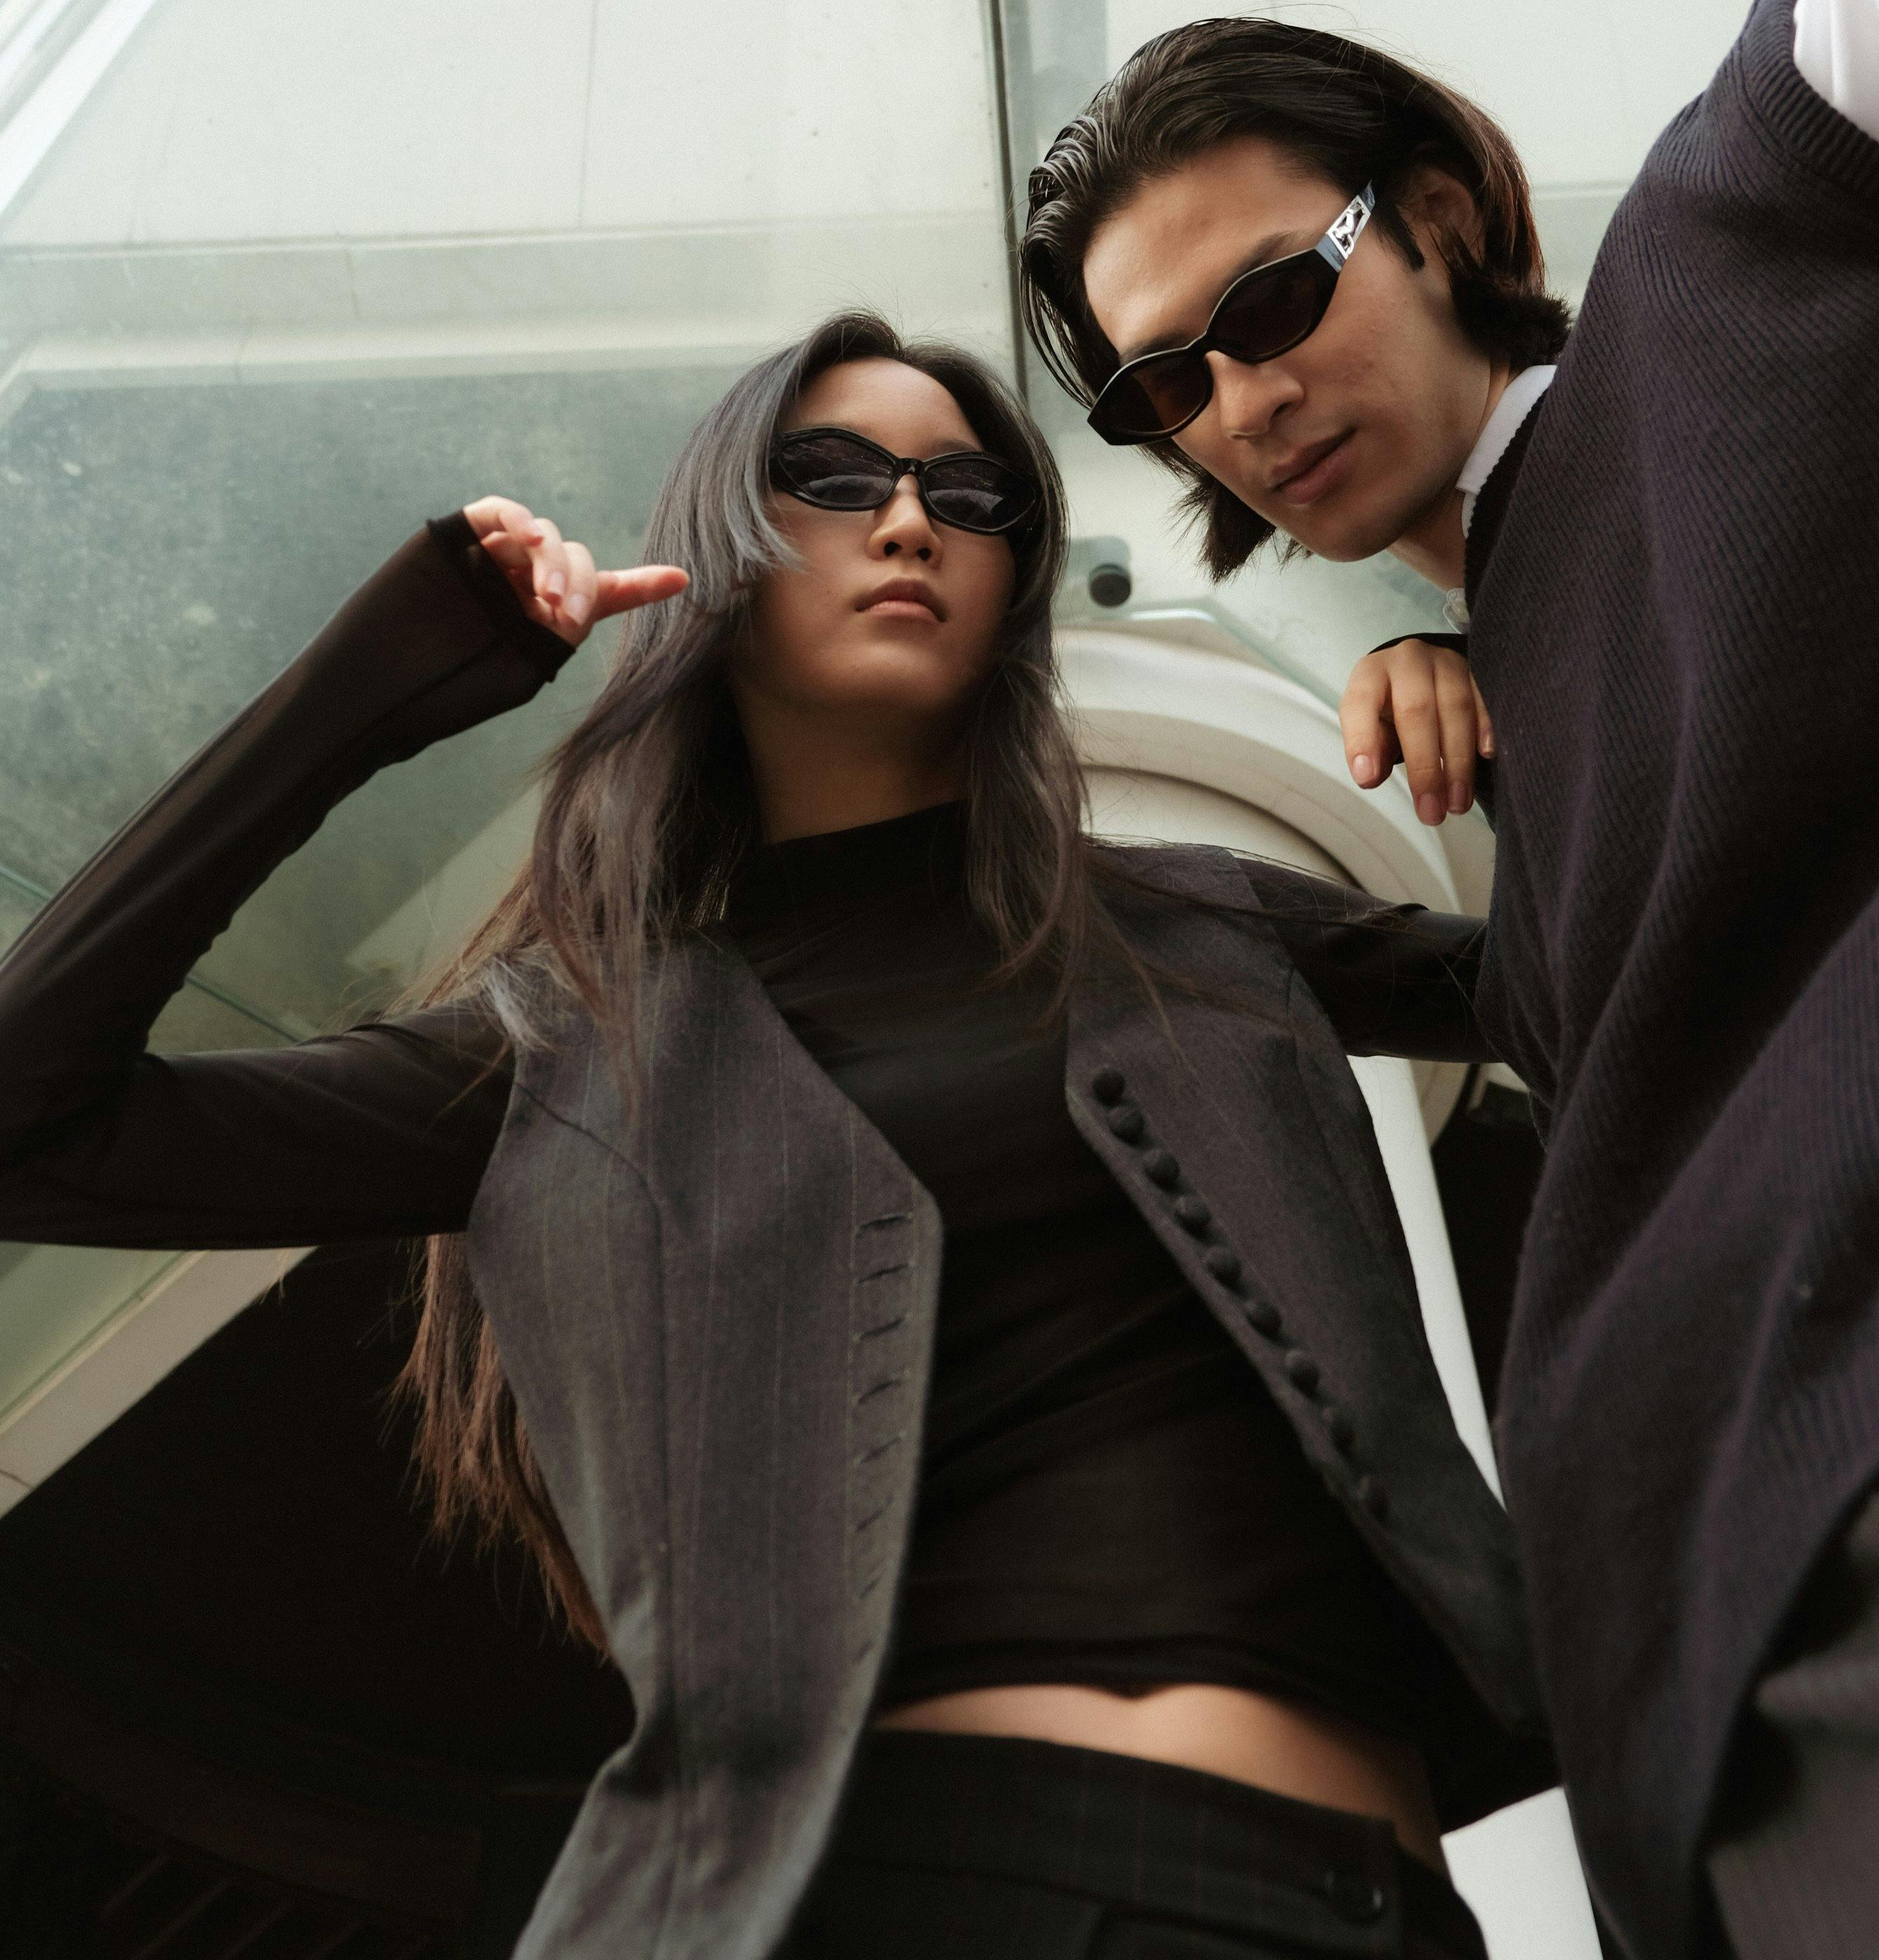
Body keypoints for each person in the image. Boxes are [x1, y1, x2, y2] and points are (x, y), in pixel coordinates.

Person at [0, 310, 1550, 1960]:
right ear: (720, 552)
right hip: (928, 1897)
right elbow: (34, 1121)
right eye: (831, 474)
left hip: (1384, 1905)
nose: (908, 519)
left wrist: (1465, 645)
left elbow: (1627, 987)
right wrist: (375, 688)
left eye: (970, 494)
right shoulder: (575, 1039)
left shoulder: (1205, 918)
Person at [1016, 0, 1879, 1959]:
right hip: (1718, 1706)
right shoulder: (1485, 712)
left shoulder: (1769, 235)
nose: (1234, 396)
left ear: (1434, 214)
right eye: (1158, 383)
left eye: (1270, 302)